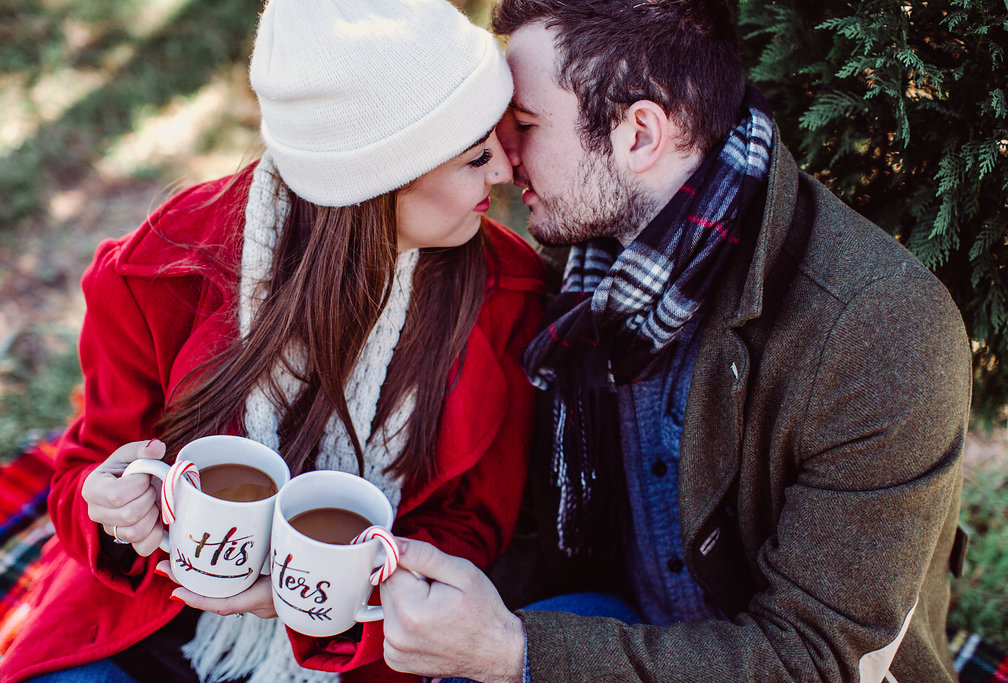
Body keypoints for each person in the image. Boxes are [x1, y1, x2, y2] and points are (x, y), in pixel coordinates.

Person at [377, 1, 974, 681]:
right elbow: (532, 534)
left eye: (527, 125)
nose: (504, 161)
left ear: (639, 135)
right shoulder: (580, 284)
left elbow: (814, 660)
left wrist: (516, 651)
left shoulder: (879, 327)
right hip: (623, 629)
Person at [0, 0, 547, 681]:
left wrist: (321, 595)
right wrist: (110, 506)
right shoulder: (161, 271)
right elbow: (87, 469)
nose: (505, 172)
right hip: (158, 611)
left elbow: (472, 524)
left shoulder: (508, 295)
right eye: (476, 155)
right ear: (375, 181)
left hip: (351, 642)